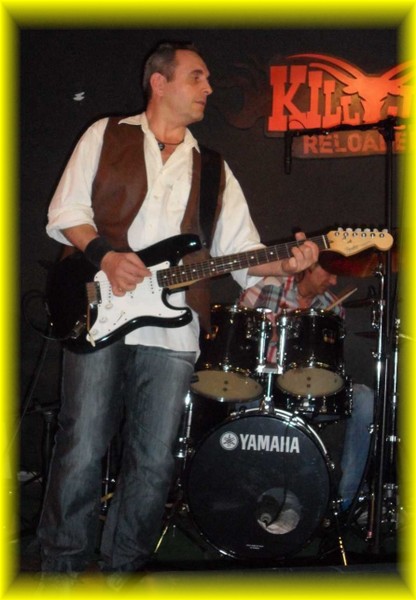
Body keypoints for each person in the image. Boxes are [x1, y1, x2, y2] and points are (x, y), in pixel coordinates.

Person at [37, 41, 319, 576]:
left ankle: (123, 572)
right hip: (99, 315)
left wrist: (289, 262)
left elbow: (242, 252)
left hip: (175, 332)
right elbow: (64, 211)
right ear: (159, 82)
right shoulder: (106, 134)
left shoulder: (212, 168)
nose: (209, 87)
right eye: (197, 77)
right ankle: (62, 571)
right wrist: (105, 256)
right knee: (82, 446)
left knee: (152, 460)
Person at [239, 262, 374, 512]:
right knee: (246, 399)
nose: (334, 281)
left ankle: (350, 500)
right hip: (268, 387)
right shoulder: (265, 287)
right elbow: (236, 335)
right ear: (308, 267)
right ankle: (248, 493)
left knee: (364, 398)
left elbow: (333, 362)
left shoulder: (333, 307)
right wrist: (265, 335)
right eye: (329, 273)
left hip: (313, 391)